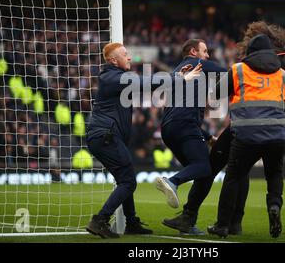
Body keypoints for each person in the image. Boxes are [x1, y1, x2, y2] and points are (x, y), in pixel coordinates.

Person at [163, 22, 285, 236]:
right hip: (275, 126)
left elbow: (221, 92)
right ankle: (237, 222)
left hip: (243, 125)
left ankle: (194, 217)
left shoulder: (247, 65)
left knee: (216, 168)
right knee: (256, 172)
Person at [85, 42, 201, 238]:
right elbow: (144, 83)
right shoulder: (111, 76)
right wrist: (177, 78)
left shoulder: (114, 77)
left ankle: (131, 222)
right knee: (129, 181)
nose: (129, 57)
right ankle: (100, 220)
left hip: (106, 136)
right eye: (125, 54)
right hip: (104, 135)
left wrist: (177, 77)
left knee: (125, 179)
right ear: (114, 60)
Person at [155, 39, 226, 212]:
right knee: (203, 167)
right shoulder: (198, 64)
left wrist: (208, 137)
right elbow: (227, 72)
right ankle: (172, 181)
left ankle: (187, 218)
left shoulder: (176, 72)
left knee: (201, 172)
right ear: (194, 52)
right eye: (205, 51)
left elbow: (178, 113)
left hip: (168, 129)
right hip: (185, 126)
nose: (208, 55)